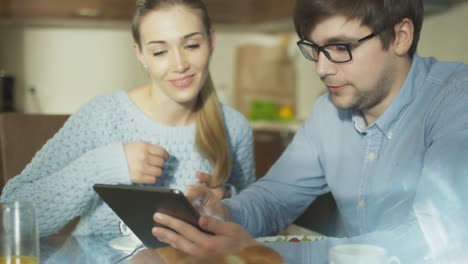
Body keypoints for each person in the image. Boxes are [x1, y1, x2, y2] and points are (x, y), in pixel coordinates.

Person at [150, 0, 468, 263]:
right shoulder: (327, 113)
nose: (322, 68)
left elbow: (435, 240)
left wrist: (260, 250)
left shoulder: (456, 100)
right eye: (315, 49)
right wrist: (223, 213)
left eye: (340, 47)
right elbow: (274, 198)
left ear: (401, 36)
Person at [0, 0, 255, 238]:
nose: (179, 64)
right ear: (140, 55)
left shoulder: (234, 127)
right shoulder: (102, 117)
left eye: (191, 46)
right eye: (159, 52)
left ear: (211, 40)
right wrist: (107, 165)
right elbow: (9, 215)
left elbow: (253, 222)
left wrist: (225, 201)